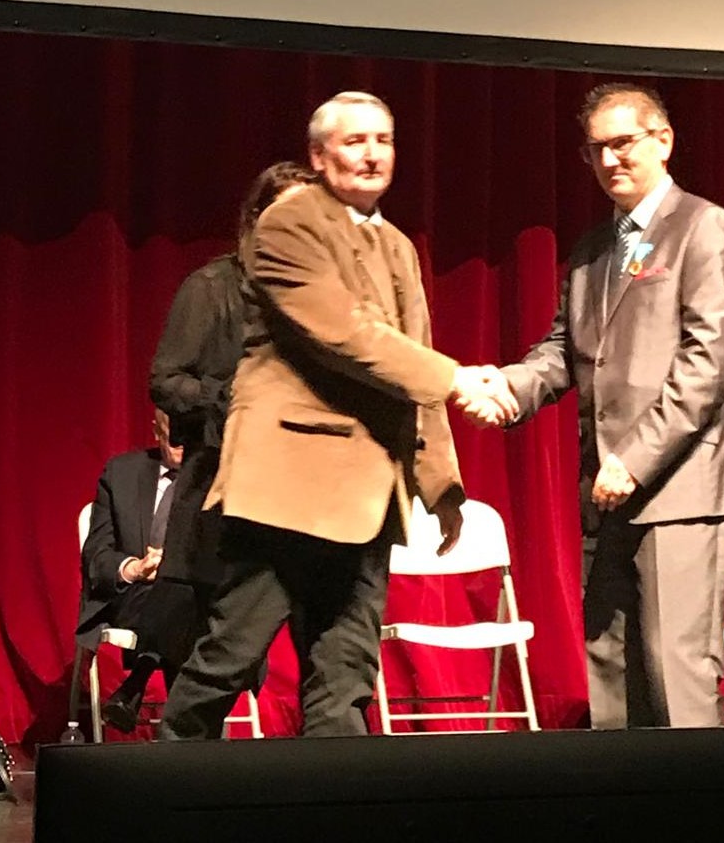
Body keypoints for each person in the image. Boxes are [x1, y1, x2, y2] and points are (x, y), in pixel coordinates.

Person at [158, 90, 510, 740]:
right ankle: (158, 792)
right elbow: (347, 336)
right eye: (355, 141)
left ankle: (331, 812)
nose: (372, 153)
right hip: (284, 488)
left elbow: (412, 362)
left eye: (384, 140)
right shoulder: (286, 230)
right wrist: (461, 379)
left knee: (345, 674)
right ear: (320, 157)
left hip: (366, 492)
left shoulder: (399, 246)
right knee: (231, 657)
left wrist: (442, 485)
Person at [471, 81, 724, 729]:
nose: (610, 161)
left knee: (675, 672)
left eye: (623, 143)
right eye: (597, 149)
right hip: (605, 490)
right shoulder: (594, 250)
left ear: (663, 140)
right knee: (614, 673)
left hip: (679, 486)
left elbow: (708, 361)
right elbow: (563, 350)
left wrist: (635, 456)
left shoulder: (705, 227)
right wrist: (507, 387)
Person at [100, 161, 315, 733]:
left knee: (329, 653)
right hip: (223, 490)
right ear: (256, 217)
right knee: (218, 654)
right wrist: (233, 399)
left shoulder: (323, 293)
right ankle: (183, 775)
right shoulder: (214, 287)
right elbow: (166, 381)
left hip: (308, 497)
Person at [75, 408, 184, 698]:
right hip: (135, 599)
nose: (184, 442)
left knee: (184, 601)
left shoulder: (218, 478)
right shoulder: (121, 474)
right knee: (177, 609)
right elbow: (97, 556)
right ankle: (192, 733)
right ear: (157, 432)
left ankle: (138, 680)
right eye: (175, 435)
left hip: (197, 600)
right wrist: (134, 568)